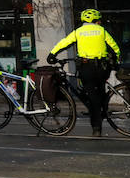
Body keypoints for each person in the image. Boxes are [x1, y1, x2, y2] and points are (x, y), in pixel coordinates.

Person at [48, 8, 121, 136]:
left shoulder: (78, 32)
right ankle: (103, 108)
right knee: (100, 90)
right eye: (98, 20)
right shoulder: (101, 30)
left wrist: (52, 54)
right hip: (102, 68)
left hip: (86, 68)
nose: (99, 22)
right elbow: (115, 47)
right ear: (94, 20)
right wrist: (117, 60)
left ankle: (96, 127)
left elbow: (64, 43)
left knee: (92, 97)